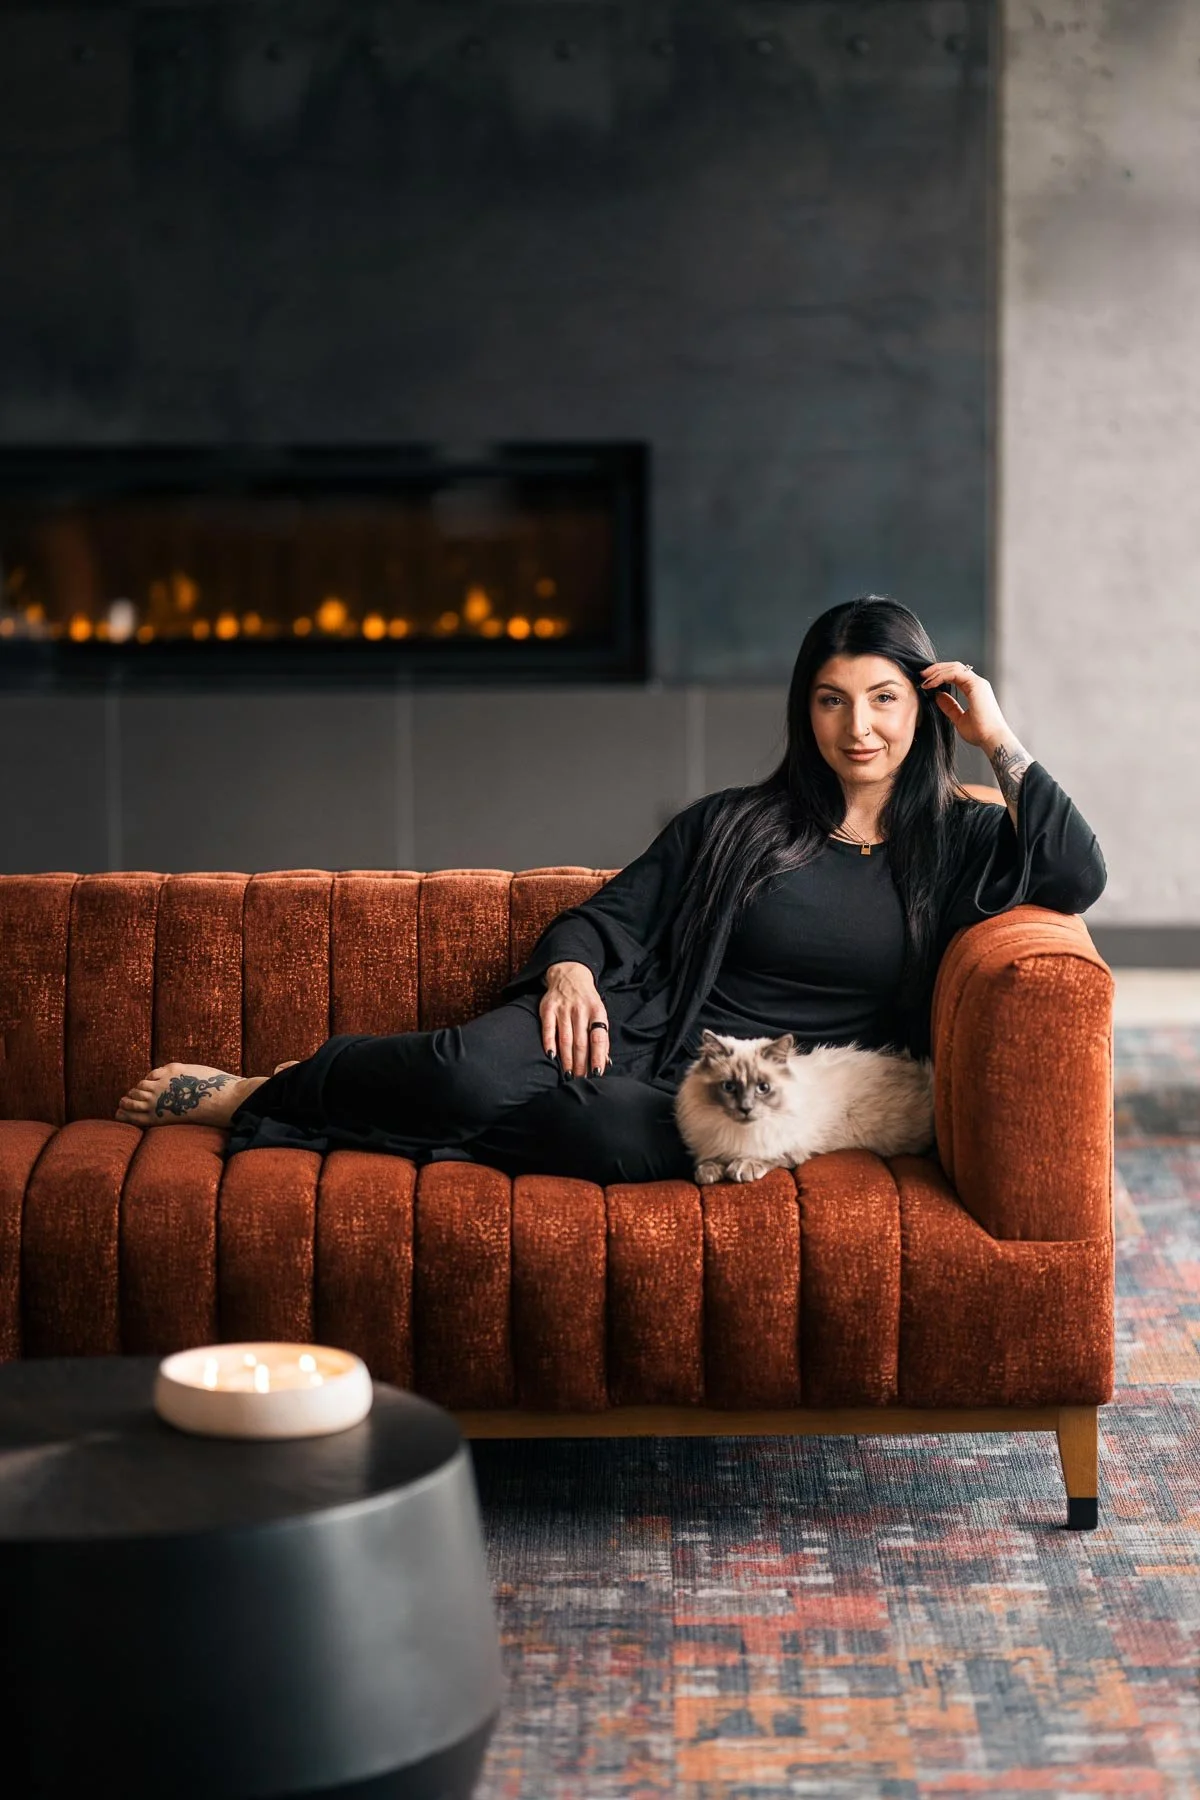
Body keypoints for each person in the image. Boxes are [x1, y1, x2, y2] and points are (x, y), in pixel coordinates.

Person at [114, 595, 1107, 1184]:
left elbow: (1077, 873)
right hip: (623, 1022)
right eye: (832, 700)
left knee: (613, 1138)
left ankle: (335, 1106)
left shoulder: (963, 838)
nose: (860, 727)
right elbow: (601, 919)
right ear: (804, 712)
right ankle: (270, 1089)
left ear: (924, 707)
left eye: (885, 699)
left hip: (729, 1089)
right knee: (466, 1073)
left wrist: (996, 735)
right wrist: (569, 976)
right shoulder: (736, 821)